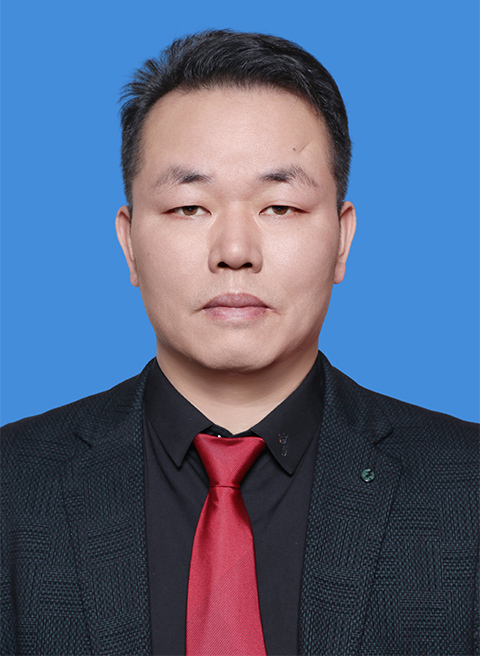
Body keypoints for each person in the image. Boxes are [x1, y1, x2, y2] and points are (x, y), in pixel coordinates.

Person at [1, 29, 478, 656]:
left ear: (341, 239)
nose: (234, 252)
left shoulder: (466, 488)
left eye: (279, 207)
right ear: (129, 243)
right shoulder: (13, 487)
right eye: (189, 207)